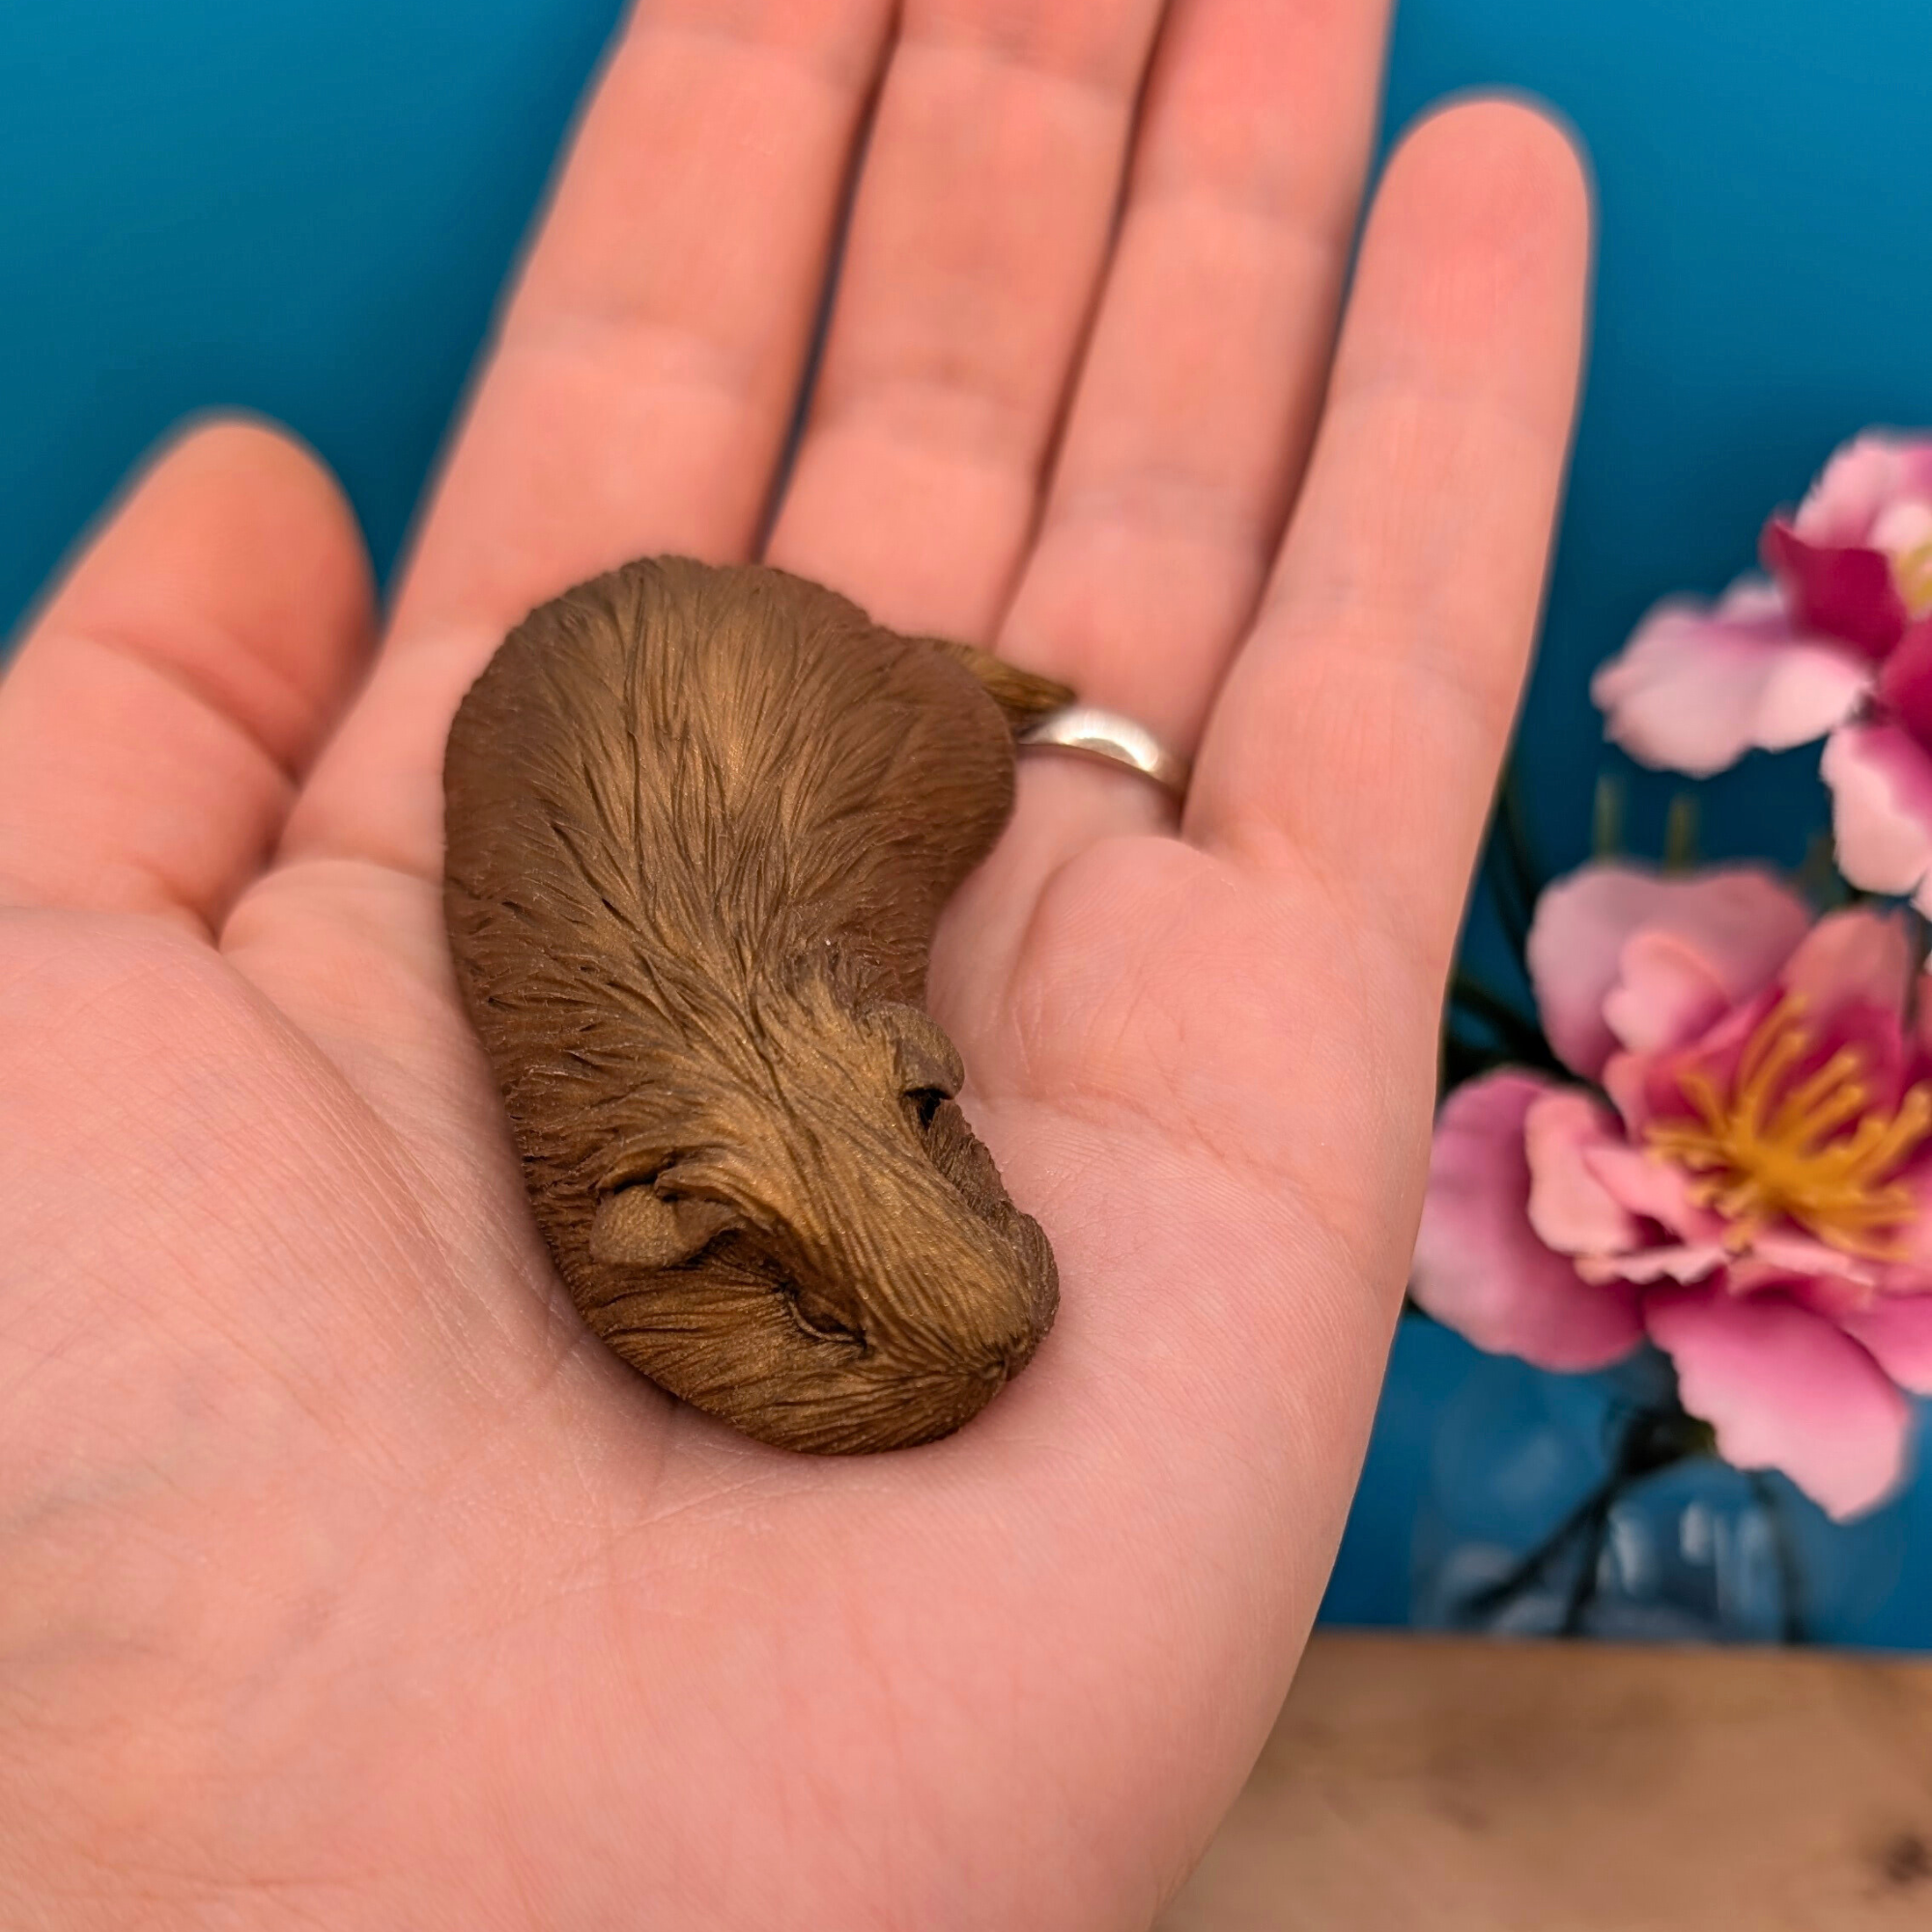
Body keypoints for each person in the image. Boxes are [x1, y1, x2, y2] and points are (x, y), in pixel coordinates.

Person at [0, 2, 1589, 1923]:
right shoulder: (658, 1193)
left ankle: (943, 706)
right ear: (669, 1231)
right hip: (690, 711)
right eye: (825, 1321)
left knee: (954, 774)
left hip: (780, 718)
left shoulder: (846, 1030)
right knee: (946, 768)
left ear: (925, 1082)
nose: (981, 1331)